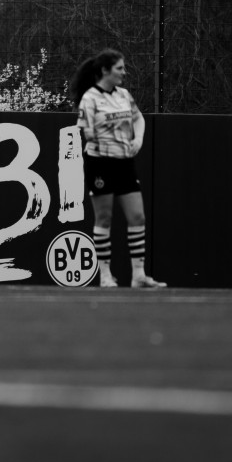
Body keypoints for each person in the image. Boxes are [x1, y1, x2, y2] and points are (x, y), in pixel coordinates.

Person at [70, 48, 166, 288]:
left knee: (137, 216)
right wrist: (110, 131)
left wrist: (138, 139)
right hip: (100, 163)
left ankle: (139, 275)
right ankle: (105, 275)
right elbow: (86, 132)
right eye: (119, 68)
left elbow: (138, 118)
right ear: (105, 71)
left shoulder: (124, 95)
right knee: (104, 217)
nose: (124, 72)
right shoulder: (90, 98)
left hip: (124, 163)